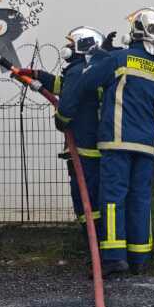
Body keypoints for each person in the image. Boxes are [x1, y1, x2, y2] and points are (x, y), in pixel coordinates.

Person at [56, 8, 154, 276]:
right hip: (147, 145)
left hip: (116, 142)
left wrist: (100, 56)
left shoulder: (119, 59)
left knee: (112, 199)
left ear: (137, 31)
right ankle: (140, 258)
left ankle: (113, 258)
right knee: (140, 200)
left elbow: (87, 81)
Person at [17, 27, 110, 239]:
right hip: (91, 147)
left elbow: (66, 107)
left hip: (84, 148)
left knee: (85, 200)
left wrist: (61, 121)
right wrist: (37, 76)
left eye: (71, 43)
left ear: (83, 46)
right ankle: (96, 244)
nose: (67, 47)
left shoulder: (78, 71)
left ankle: (93, 244)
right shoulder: (86, 70)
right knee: (92, 198)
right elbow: (63, 86)